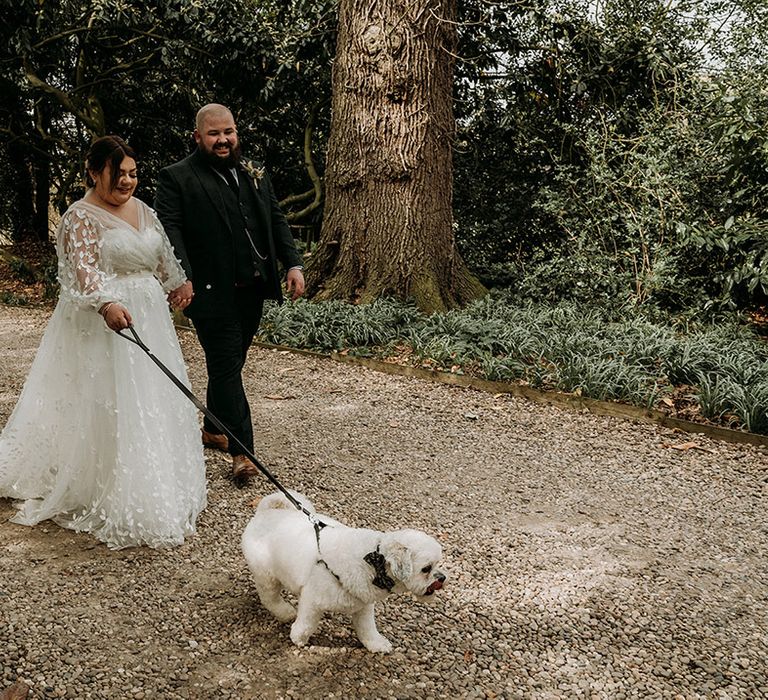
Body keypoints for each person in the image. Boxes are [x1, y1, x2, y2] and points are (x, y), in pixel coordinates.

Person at [0, 135, 207, 550]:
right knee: (108, 398)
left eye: (133, 173)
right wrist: (105, 302)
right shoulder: (79, 216)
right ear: (94, 172)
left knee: (148, 396)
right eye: (119, 174)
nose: (127, 181)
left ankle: (154, 475)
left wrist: (178, 282)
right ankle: (102, 481)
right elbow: (82, 270)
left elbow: (162, 255)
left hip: (149, 315)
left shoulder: (144, 209)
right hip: (103, 321)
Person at [154, 103, 305, 481]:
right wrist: (180, 276)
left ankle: (211, 428)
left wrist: (293, 263)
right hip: (208, 293)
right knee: (226, 366)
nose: (223, 140)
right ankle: (243, 453)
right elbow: (168, 230)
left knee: (229, 367)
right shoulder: (177, 177)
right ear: (198, 137)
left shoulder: (254, 172)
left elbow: (275, 218)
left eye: (229, 132)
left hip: (252, 288)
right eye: (214, 134)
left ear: (236, 133)